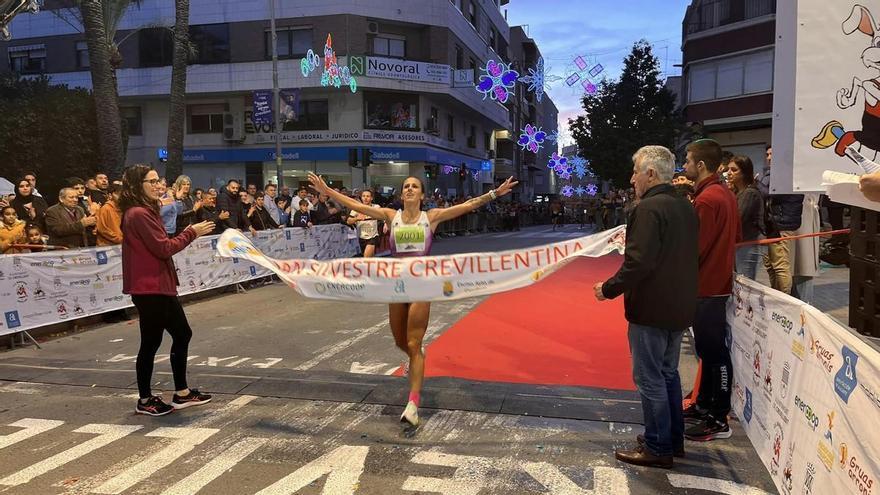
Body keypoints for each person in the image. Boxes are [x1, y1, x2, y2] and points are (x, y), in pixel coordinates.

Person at [308, 172, 518, 427]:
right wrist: (327, 190)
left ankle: (413, 403)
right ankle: (415, 358)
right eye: (406, 186)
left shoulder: (431, 218)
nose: (409, 189)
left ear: (421, 195)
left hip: (420, 287)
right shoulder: (389, 215)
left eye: (414, 186)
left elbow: (468, 205)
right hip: (396, 286)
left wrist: (495, 193)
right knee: (400, 341)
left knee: (413, 342)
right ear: (401, 194)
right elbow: (356, 206)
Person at [593, 145, 698, 469]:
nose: (632, 178)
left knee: (650, 378)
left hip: (652, 307)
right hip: (679, 304)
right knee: (667, 374)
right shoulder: (685, 206)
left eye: (636, 171)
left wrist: (607, 289)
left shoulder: (648, 209)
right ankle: (670, 438)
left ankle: (657, 446)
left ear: (650, 173)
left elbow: (638, 263)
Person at [119, 164, 216, 416]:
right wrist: (192, 232)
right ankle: (144, 399)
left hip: (159, 285)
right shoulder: (138, 213)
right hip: (148, 287)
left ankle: (182, 393)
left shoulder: (146, 210)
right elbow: (163, 248)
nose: (157, 185)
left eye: (157, 180)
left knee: (182, 333)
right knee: (150, 343)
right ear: (135, 185)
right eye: (150, 182)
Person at [682, 139, 741, 442]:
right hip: (714, 284)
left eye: (688, 160)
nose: (684, 166)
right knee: (708, 351)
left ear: (701, 165)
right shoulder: (724, 194)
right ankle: (705, 405)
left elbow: (695, 249)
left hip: (707, 286)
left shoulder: (707, 200)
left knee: (714, 353)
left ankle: (718, 417)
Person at [757, 146, 803, 294]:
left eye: (772, 154)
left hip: (782, 225)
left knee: (780, 266)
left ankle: (784, 301)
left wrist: (755, 183)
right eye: (767, 154)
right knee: (770, 265)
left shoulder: (788, 175)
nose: (769, 157)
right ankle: (776, 295)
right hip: (772, 224)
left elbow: (771, 194)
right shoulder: (773, 174)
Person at [727, 155, 764, 280]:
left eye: (734, 170)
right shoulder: (739, 192)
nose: (729, 173)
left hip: (747, 244)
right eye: (729, 169)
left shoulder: (749, 193)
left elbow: (738, 218)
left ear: (744, 172)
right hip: (740, 244)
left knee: (745, 284)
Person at [347, 189, 382, 257]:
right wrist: (357, 218)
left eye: (368, 196)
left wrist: (386, 223)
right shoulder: (356, 208)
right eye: (363, 196)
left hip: (373, 237)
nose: (365, 198)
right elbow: (348, 221)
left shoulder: (376, 207)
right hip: (361, 237)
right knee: (370, 259)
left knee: (366, 257)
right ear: (361, 197)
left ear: (371, 198)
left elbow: (384, 215)